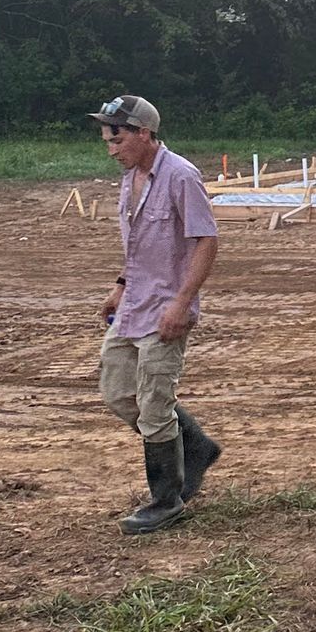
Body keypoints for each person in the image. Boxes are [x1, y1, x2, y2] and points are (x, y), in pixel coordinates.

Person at [92, 94, 221, 535]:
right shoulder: (131, 179)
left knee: (153, 403)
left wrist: (182, 304)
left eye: (117, 138)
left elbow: (206, 241)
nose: (111, 148)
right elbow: (139, 246)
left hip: (168, 306)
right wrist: (120, 286)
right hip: (135, 303)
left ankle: (166, 500)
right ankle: (195, 447)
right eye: (107, 139)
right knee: (117, 391)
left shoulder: (181, 176)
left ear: (143, 133)